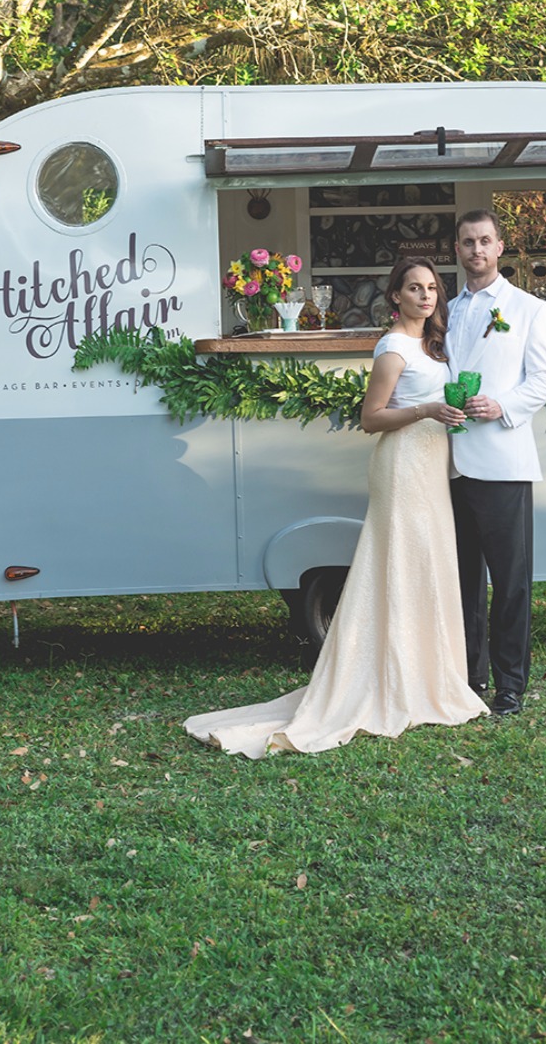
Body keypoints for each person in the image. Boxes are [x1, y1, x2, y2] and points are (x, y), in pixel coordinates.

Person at [184, 257, 487, 758]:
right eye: (414, 288)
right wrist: (428, 410)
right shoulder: (392, 348)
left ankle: (429, 673)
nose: (425, 296)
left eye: (432, 287)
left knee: (427, 563)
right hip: (404, 464)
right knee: (401, 564)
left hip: (434, 465)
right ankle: (392, 678)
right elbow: (371, 418)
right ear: (396, 296)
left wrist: (454, 411)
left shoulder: (435, 344)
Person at [447, 209, 546, 717]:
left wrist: (503, 407)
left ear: (500, 248)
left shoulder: (530, 309)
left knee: (511, 582)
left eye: (485, 241)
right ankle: (469, 680)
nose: (476, 250)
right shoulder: (444, 311)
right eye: (468, 242)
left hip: (502, 461)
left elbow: (545, 380)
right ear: (458, 249)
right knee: (462, 580)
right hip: (448, 463)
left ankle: (510, 684)